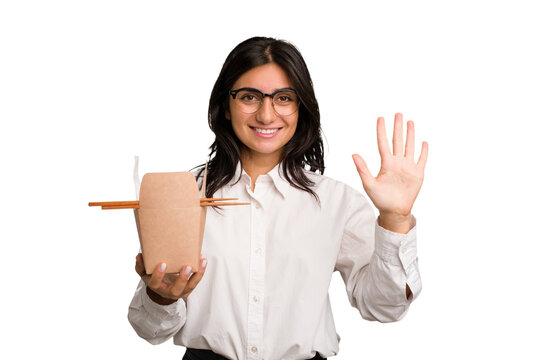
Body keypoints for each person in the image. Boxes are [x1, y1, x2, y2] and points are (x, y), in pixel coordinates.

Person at [128, 36, 428, 360]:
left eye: (283, 98)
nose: (267, 115)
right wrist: (161, 297)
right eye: (249, 97)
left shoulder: (337, 202)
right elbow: (150, 328)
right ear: (226, 107)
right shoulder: (183, 195)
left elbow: (383, 307)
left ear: (301, 107)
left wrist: (395, 220)